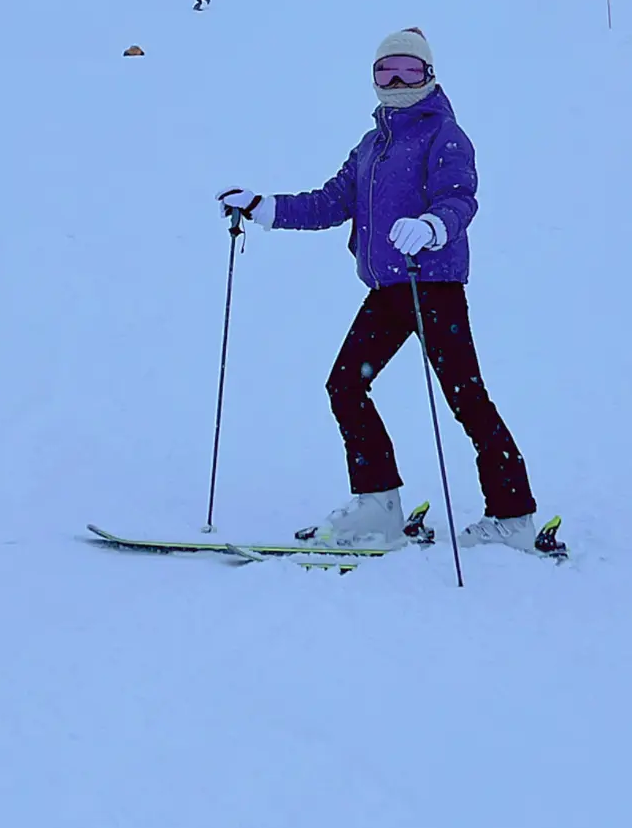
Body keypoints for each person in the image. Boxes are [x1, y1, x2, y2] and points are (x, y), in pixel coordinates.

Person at [217, 27, 540, 552]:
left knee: (466, 398)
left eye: (409, 71)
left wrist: (432, 226)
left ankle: (513, 518)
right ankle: (379, 504)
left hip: (433, 286)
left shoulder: (445, 135)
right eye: (385, 71)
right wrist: (264, 207)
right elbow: (328, 203)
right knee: (344, 386)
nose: (396, 82)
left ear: (429, 75)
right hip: (389, 291)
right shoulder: (372, 146)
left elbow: (460, 199)